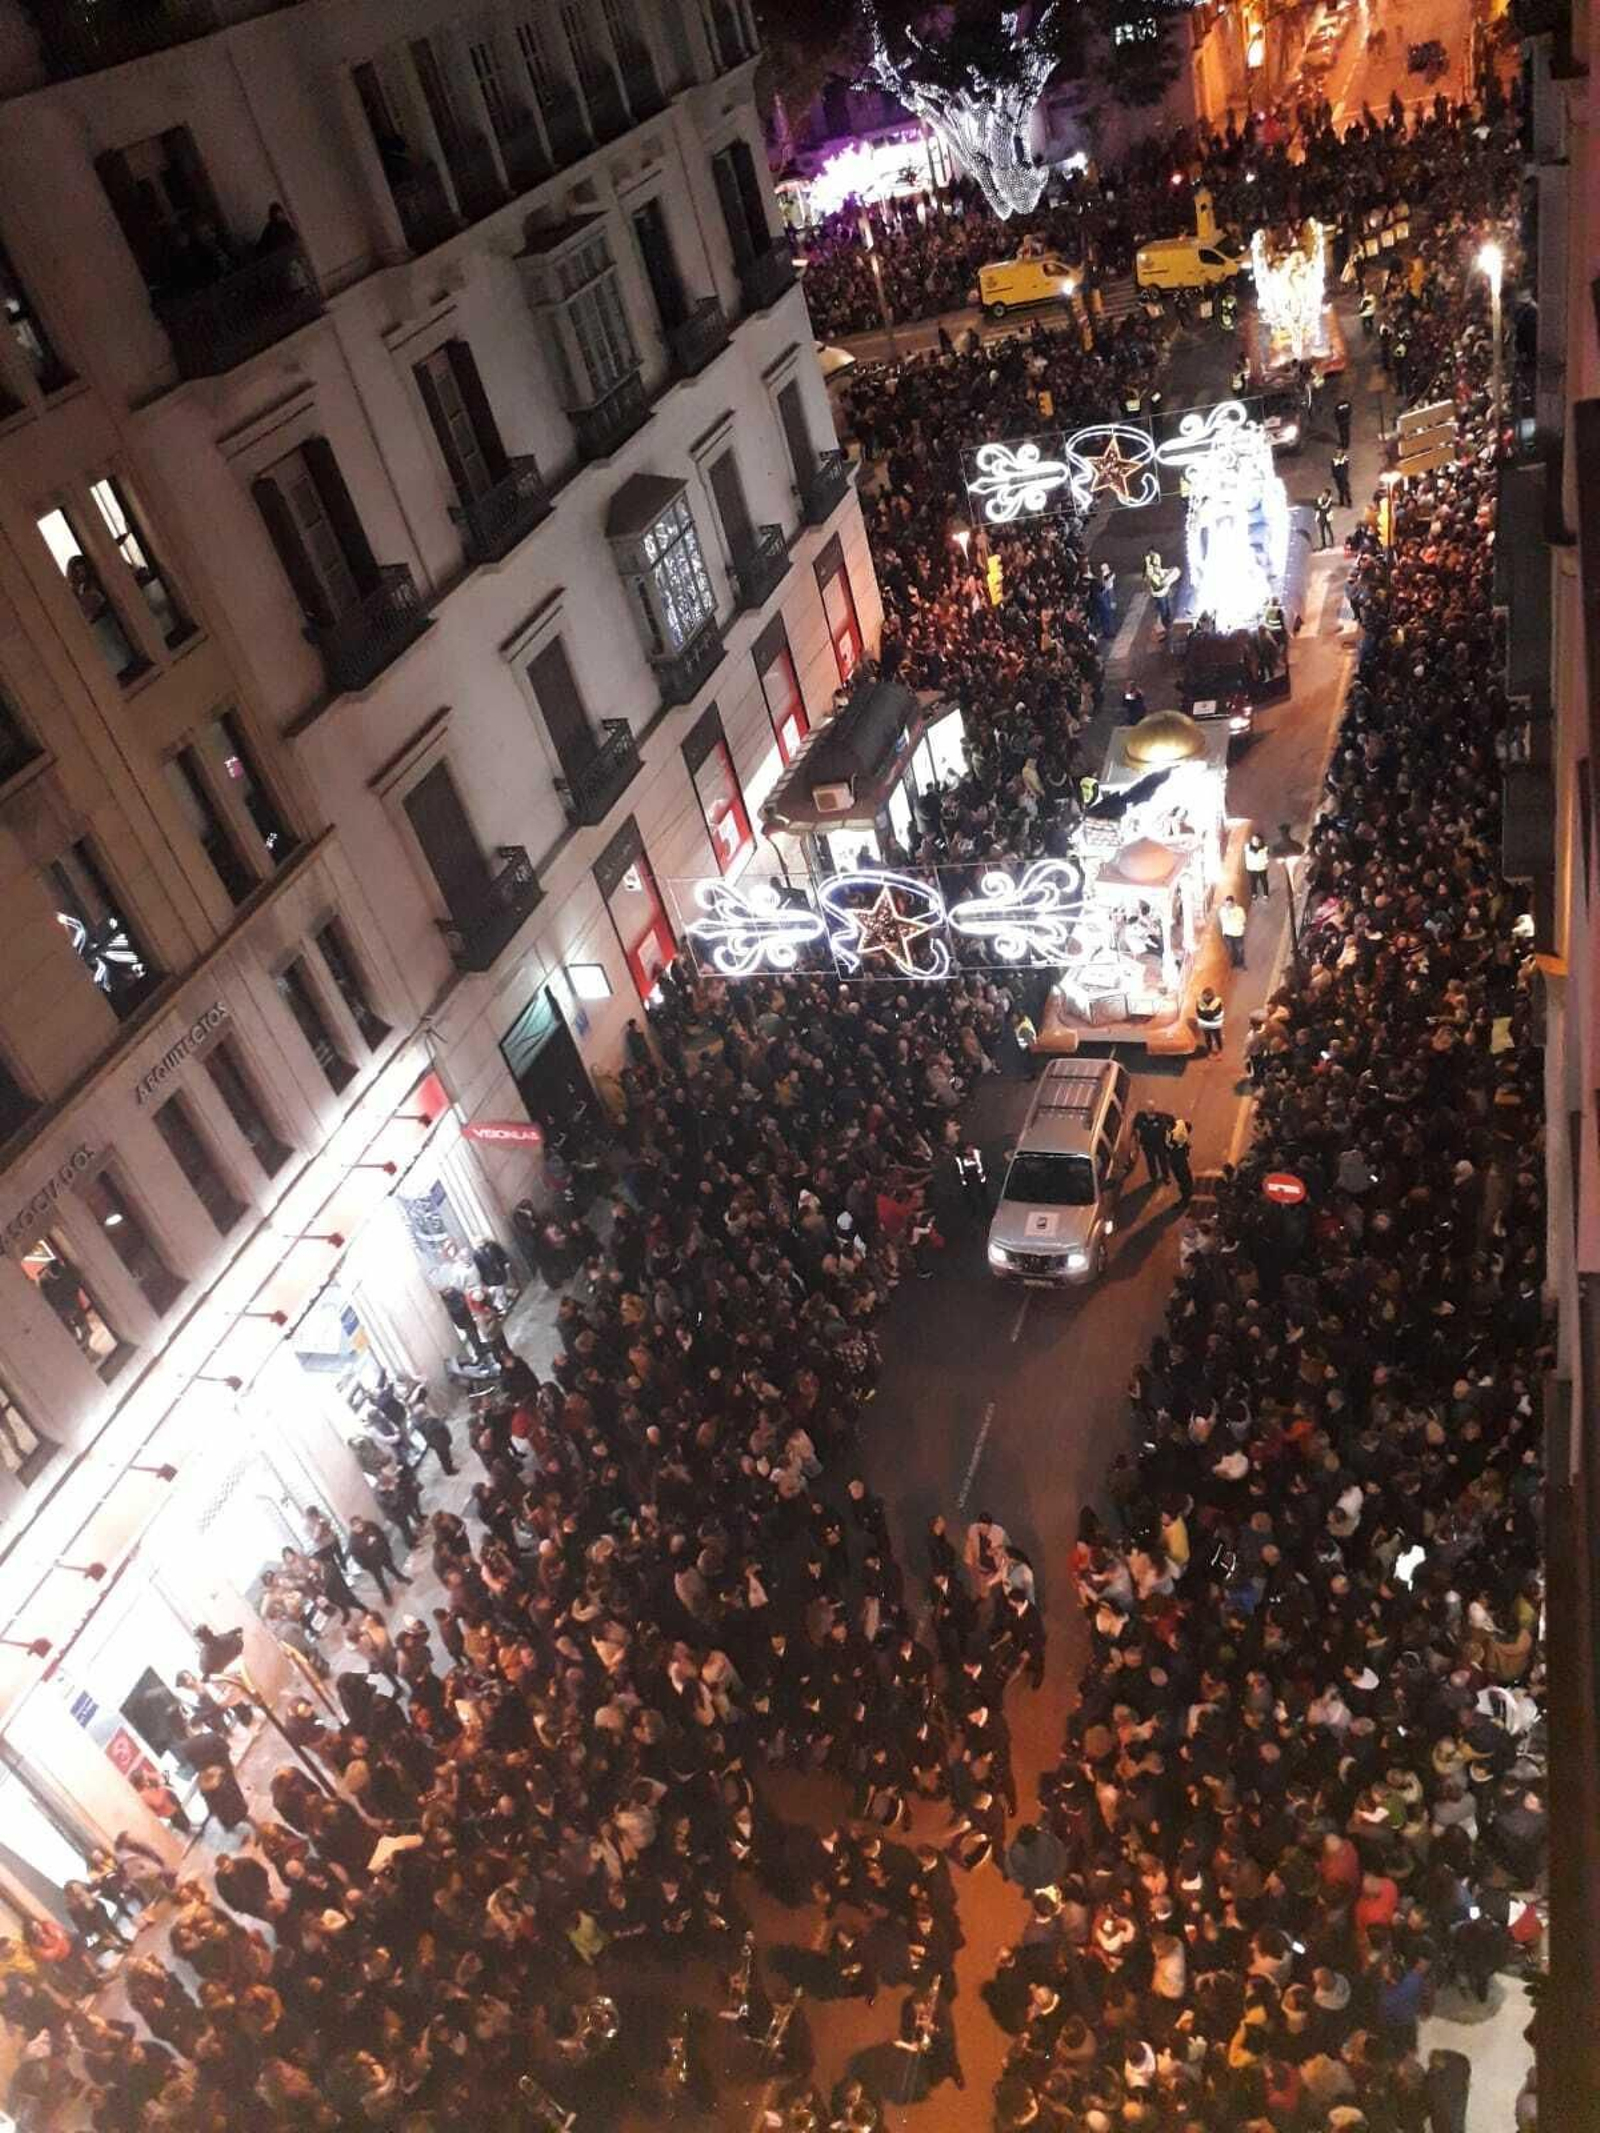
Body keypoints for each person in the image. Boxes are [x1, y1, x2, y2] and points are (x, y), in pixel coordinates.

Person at [1134, 1108, 1173, 1183]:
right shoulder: (1141, 1118)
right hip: (1148, 1145)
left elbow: (1171, 1120)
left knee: (1163, 1161)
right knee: (1151, 1163)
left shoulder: (1161, 1117)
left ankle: (1166, 1177)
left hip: (1159, 1144)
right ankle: (1154, 1178)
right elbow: (1134, 1124)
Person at [1164, 1115, 1194, 1205]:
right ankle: (1190, 1189)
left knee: (1181, 1178)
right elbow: (1188, 1126)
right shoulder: (1180, 1123)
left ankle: (1186, 1198)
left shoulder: (1173, 1136)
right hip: (1180, 1156)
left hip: (1177, 1158)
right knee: (1186, 1175)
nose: (1166, 1127)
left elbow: (1170, 1148)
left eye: (1167, 1125)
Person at [1218, 892, 1247, 967]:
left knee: (1240, 949)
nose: (1228, 906)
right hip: (1228, 933)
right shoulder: (1223, 911)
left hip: (1238, 933)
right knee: (1231, 950)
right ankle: (1234, 962)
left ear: (1233, 903)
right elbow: (1222, 919)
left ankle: (1240, 963)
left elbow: (1243, 919)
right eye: (1227, 904)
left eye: (1230, 904)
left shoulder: (1239, 910)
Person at [1194, 986, 1225, 1055]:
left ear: (1210, 996)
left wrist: (1210, 1014)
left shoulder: (1217, 1001)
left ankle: (1220, 1050)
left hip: (1215, 1024)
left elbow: (1219, 1011)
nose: (1204, 997)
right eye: (1203, 995)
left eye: (1205, 996)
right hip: (1205, 1023)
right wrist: (1206, 1014)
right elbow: (1198, 1011)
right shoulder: (1199, 1001)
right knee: (1207, 1038)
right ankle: (1210, 1050)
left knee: (1217, 1037)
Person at [1243, 831, 1271, 900]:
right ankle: (1254, 893)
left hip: (1261, 868)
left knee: (1264, 881)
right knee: (1253, 882)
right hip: (1251, 868)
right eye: (1253, 840)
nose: (1254, 841)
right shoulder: (1247, 847)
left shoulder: (1264, 848)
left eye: (1256, 840)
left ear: (1260, 840)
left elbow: (1267, 857)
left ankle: (1266, 894)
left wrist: (1265, 863)